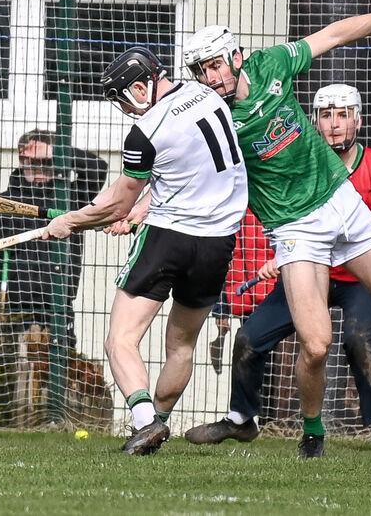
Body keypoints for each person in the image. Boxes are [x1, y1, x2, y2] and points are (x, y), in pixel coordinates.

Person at [183, 0, 371, 459]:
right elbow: (186, 168)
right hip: (294, 228)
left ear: (237, 57)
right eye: (202, 70)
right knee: (318, 343)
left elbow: (336, 33)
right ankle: (312, 430)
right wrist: (141, 207)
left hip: (340, 202)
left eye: (216, 64)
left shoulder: (270, 66)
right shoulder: (215, 120)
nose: (212, 76)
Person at [42, 46, 248, 455]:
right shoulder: (207, 95)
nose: (126, 110)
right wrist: (137, 210)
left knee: (120, 339)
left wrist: (68, 221)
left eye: (124, 99)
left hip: (167, 239)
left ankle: (144, 421)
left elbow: (113, 204)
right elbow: (186, 170)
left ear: (141, 86)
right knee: (182, 346)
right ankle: (157, 424)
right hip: (218, 242)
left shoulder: (145, 132)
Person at [186, 84, 371, 452]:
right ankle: (241, 418)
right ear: (313, 122)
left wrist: (361, 234)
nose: (335, 125)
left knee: (360, 339)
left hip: (356, 278)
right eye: (326, 116)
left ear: (358, 120)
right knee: (249, 339)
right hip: (306, 272)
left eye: (343, 115)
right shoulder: (294, 160)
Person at [0, 129, 108, 350]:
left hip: (58, 303)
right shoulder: (6, 201)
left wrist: (57, 151)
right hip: (15, 304)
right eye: (31, 162)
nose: (38, 169)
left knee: (59, 363)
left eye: (45, 162)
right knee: (12, 364)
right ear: (21, 161)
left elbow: (98, 169)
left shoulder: (72, 198)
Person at [209, 208, 277, 375]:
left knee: (269, 359)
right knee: (253, 356)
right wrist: (221, 311)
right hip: (246, 295)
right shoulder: (236, 209)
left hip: (272, 294)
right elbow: (220, 265)